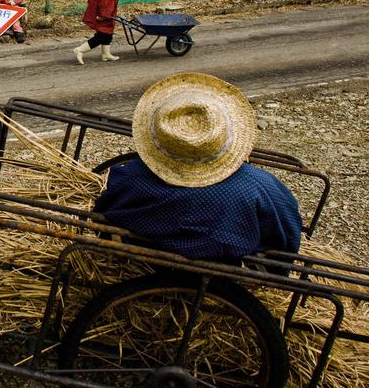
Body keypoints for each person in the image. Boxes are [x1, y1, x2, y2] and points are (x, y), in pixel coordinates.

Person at [94, 72, 302, 261]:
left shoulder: (133, 179)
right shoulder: (261, 187)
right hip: (237, 269)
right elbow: (288, 236)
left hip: (152, 261)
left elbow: (105, 211)